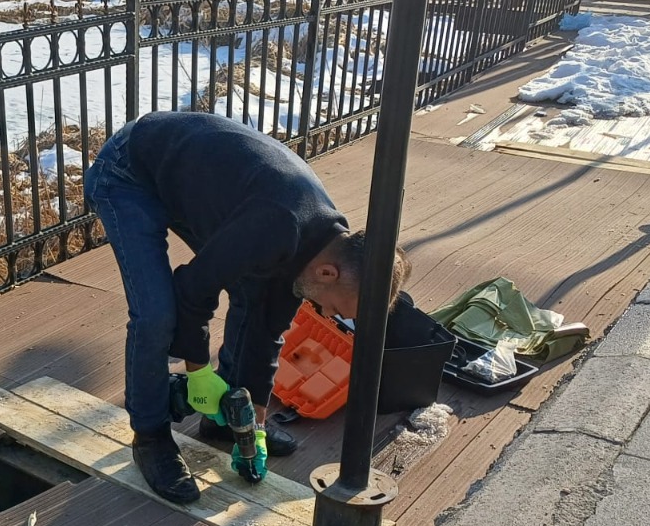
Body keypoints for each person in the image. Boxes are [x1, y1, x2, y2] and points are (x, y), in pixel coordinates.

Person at [84, 111, 410, 504]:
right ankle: (150, 436)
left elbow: (268, 325)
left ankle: (223, 424)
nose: (328, 315)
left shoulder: (316, 246)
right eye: (340, 307)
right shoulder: (276, 225)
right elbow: (193, 289)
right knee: (156, 313)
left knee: (255, 296)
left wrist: (252, 419)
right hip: (129, 171)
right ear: (328, 273)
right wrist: (198, 372)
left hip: (189, 177)